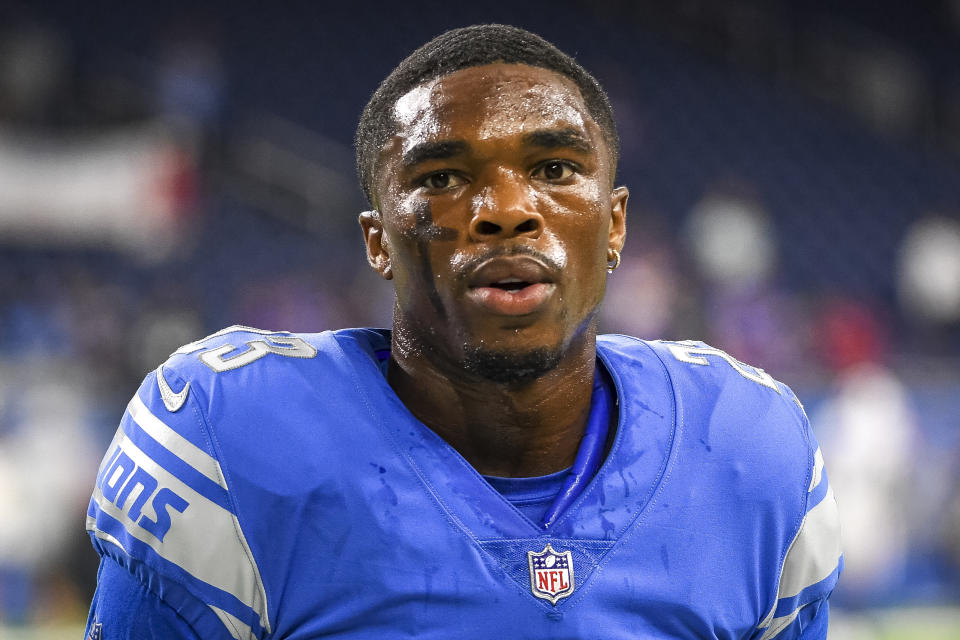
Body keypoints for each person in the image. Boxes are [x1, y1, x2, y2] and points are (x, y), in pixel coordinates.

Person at [84, 24, 841, 639]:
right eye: (441, 177)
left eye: (553, 167)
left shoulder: (747, 447)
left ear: (614, 226)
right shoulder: (233, 438)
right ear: (377, 241)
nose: (506, 208)